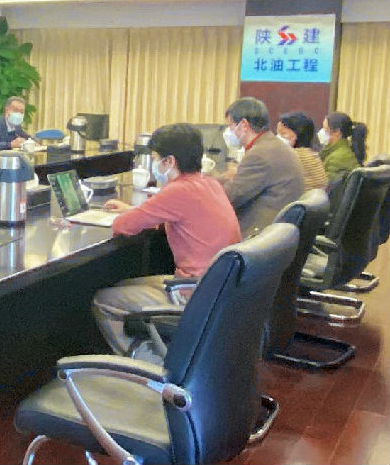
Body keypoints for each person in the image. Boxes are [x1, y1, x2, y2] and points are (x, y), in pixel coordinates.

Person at [91, 124, 241, 356]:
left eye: (155, 158)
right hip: (219, 287)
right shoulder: (208, 183)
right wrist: (136, 210)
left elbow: (122, 226)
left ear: (169, 161)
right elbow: (174, 216)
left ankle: (148, 364)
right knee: (125, 286)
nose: (154, 164)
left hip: (194, 291)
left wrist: (130, 215)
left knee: (104, 300)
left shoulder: (178, 190)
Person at [216, 96, 304, 236]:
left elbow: (228, 198)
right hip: (280, 228)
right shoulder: (271, 145)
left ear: (244, 125)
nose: (229, 130)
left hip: (261, 234)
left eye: (231, 125)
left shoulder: (259, 155)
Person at [276, 111, 328, 191]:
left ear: (297, 135)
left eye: (283, 133)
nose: (277, 137)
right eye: (277, 133)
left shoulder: (292, 158)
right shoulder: (313, 154)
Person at [318, 112, 367, 185]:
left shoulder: (337, 157)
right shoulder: (339, 150)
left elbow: (325, 185)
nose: (321, 132)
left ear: (337, 132)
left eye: (325, 129)